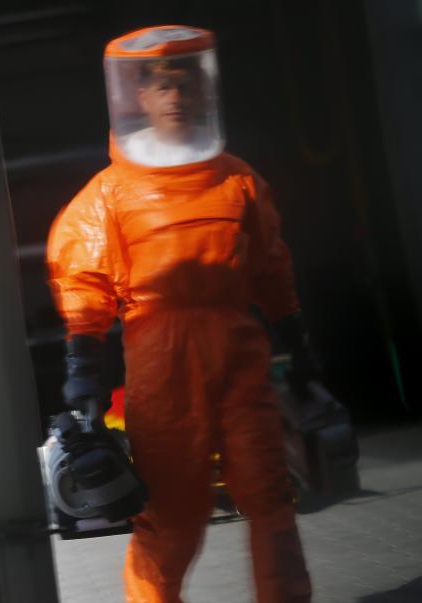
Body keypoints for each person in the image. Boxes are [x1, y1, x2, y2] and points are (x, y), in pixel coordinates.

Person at [46, 26, 313, 602]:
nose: (174, 95)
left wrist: (295, 332)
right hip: (159, 351)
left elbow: (270, 263)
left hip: (238, 345)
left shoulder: (237, 179)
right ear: (137, 95)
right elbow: (84, 279)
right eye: (161, 84)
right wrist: (82, 360)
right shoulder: (113, 192)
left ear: (202, 88)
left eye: (184, 82)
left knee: (269, 490)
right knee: (172, 506)